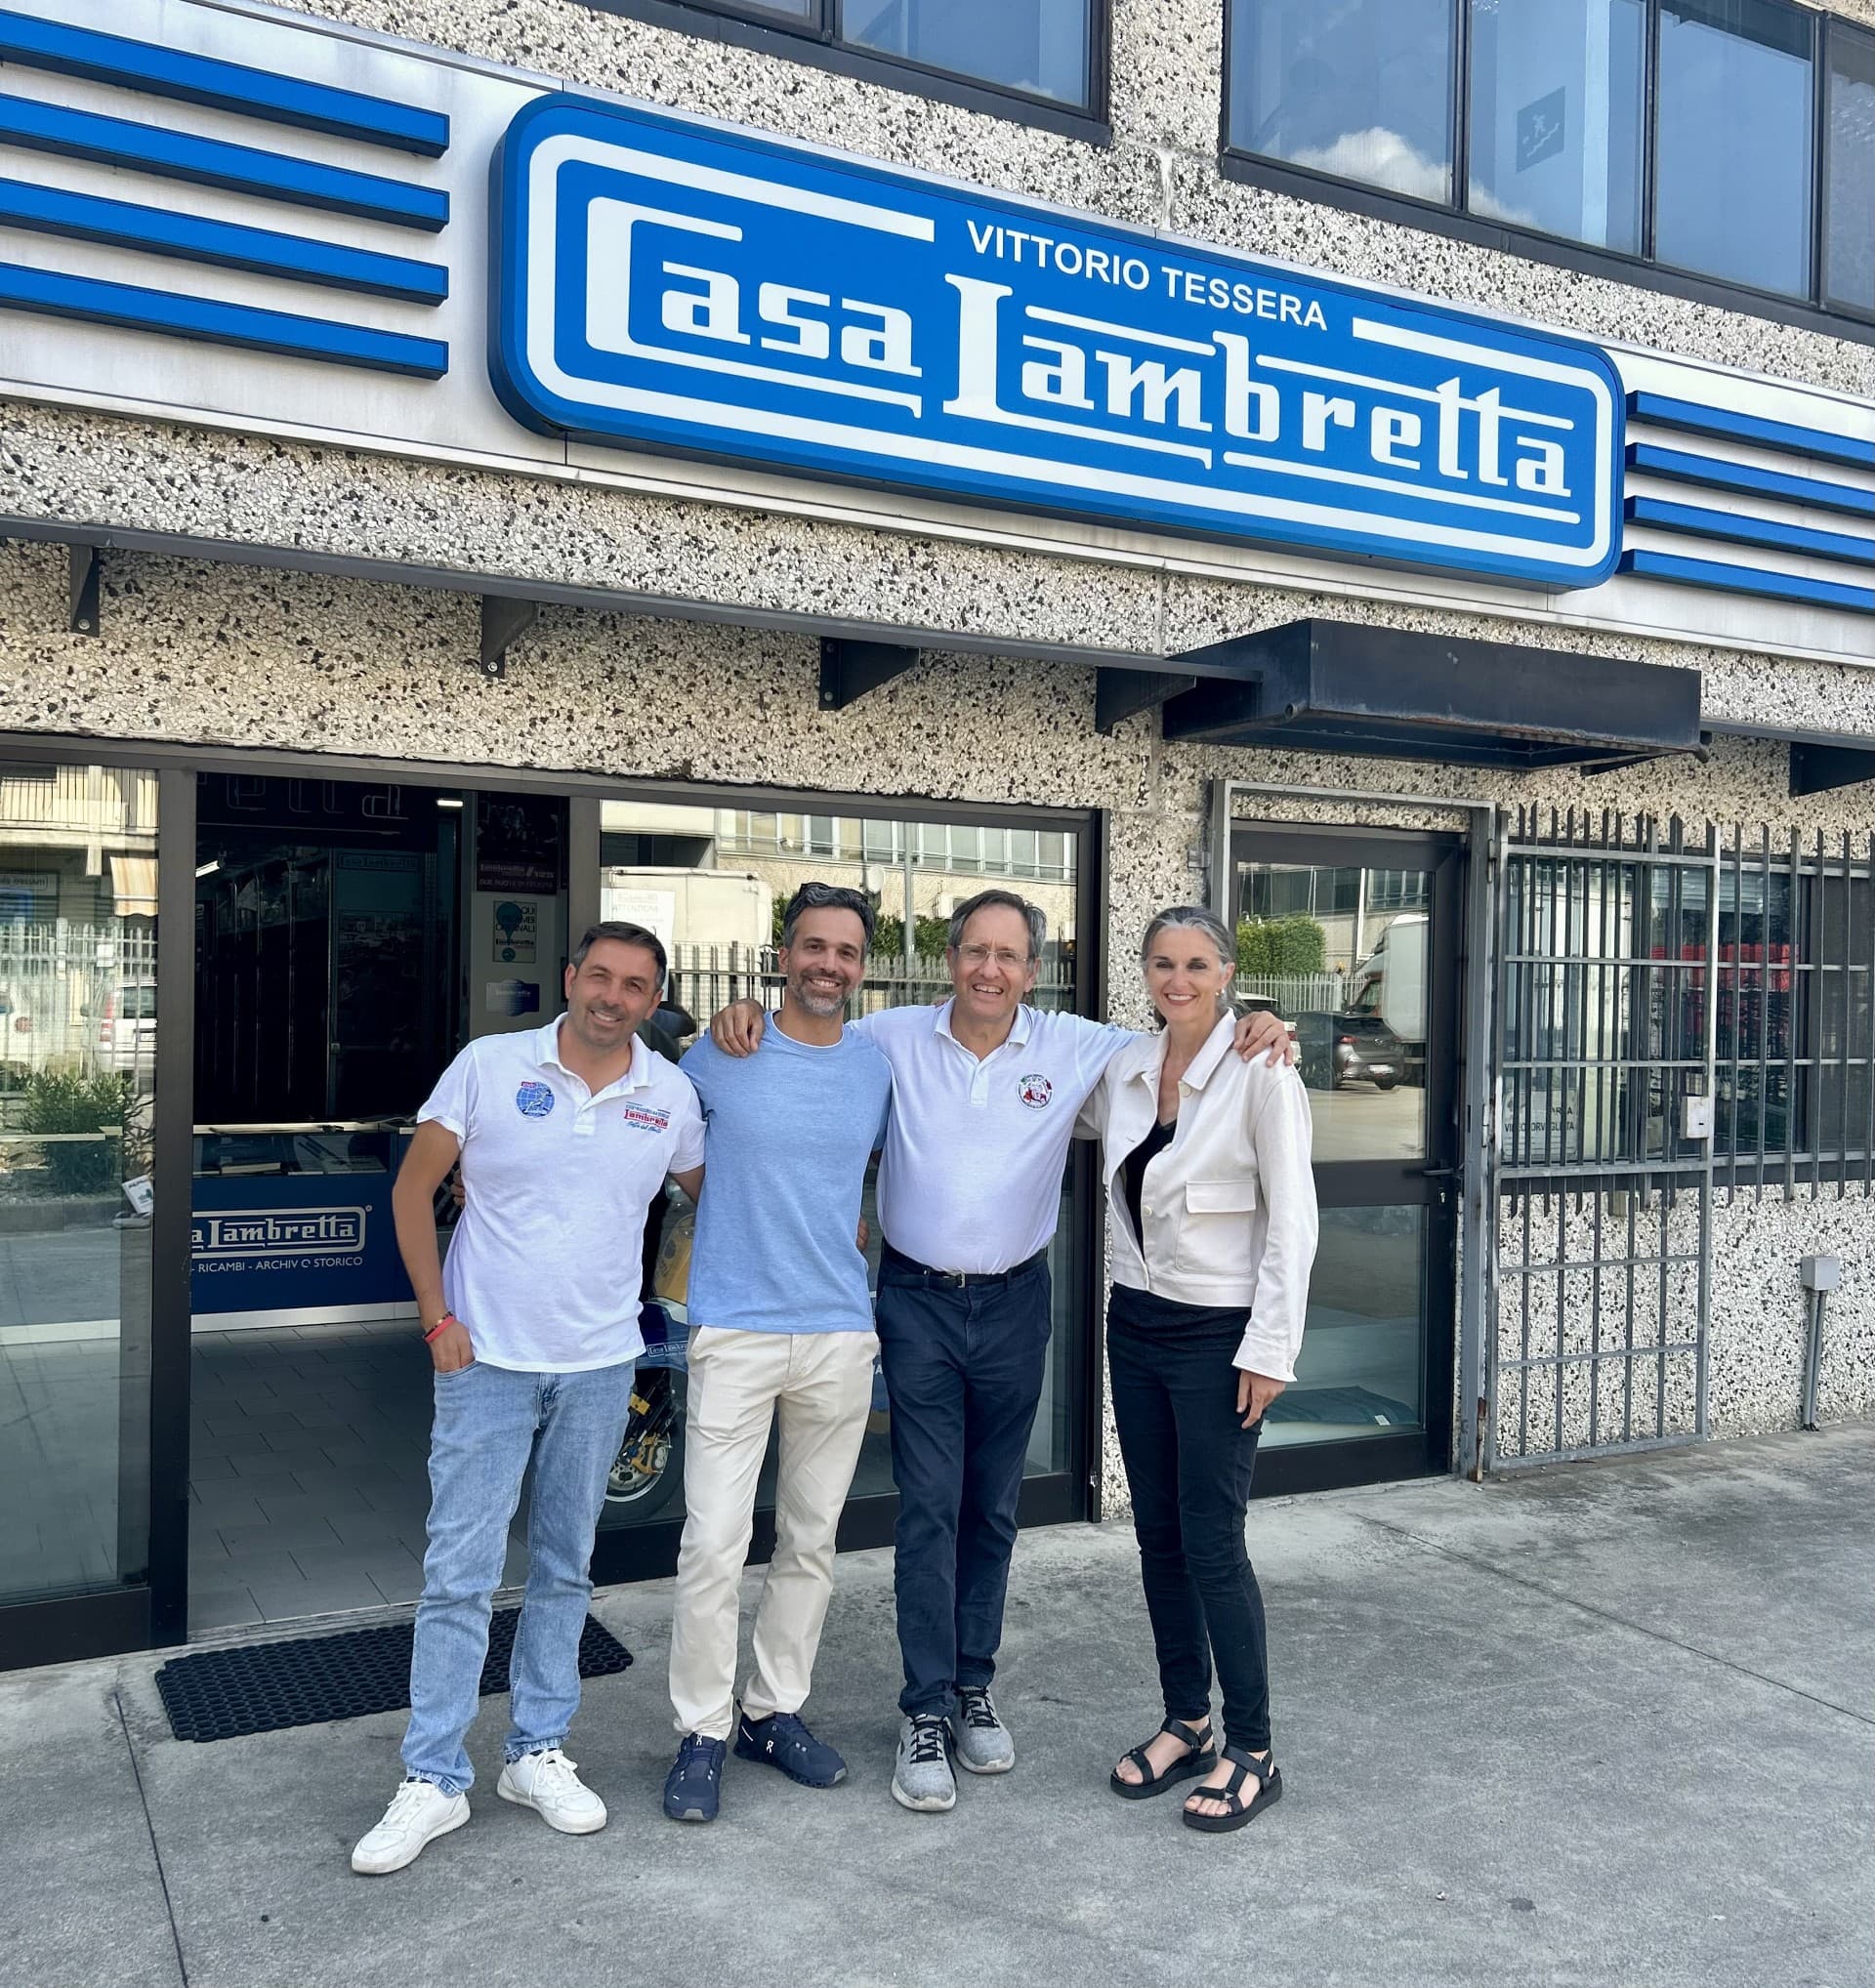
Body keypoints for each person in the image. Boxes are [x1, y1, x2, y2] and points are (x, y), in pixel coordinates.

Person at [711, 890, 1292, 1814]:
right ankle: (925, 1709)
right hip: (918, 1304)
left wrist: (1264, 1020)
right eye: (975, 951)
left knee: (991, 1510)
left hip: (1018, 1305)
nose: (991, 970)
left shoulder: (1080, 1047)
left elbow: (1192, 1035)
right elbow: (804, 1027)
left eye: (1010, 956)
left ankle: (974, 1685)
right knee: (928, 1509)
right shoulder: (891, 1038)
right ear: (950, 958)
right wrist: (741, 1014)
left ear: (1036, 968)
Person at [352, 923, 705, 1876]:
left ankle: (534, 1750)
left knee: (563, 1565)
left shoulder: (667, 1094)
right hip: (486, 1362)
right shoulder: (490, 1064)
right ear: (570, 978)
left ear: (652, 997)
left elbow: (710, 1193)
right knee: (461, 1568)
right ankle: (432, 1774)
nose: (614, 995)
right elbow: (413, 1188)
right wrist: (436, 1319)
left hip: (597, 1368)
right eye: (601, 975)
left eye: (636, 984)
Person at [661, 883, 894, 1825]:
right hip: (736, 1327)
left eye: (844, 950)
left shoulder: (879, 1065)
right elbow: (666, 1140)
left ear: (861, 965)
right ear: (782, 954)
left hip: (838, 1328)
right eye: (811, 946)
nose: (827, 964)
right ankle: (702, 1730)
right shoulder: (720, 1048)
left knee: (810, 1541)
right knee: (712, 1543)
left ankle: (773, 1709)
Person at [1086, 907, 1316, 1835]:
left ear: (1225, 972)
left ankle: (1254, 1749)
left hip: (1219, 1335)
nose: (1176, 980)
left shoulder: (1264, 1071)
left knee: (1213, 1541)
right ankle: (1188, 1717)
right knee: (1160, 1538)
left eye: (1195, 964)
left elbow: (1294, 1222)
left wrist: (1270, 1349)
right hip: (1134, 1323)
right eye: (1160, 964)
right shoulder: (1128, 1068)